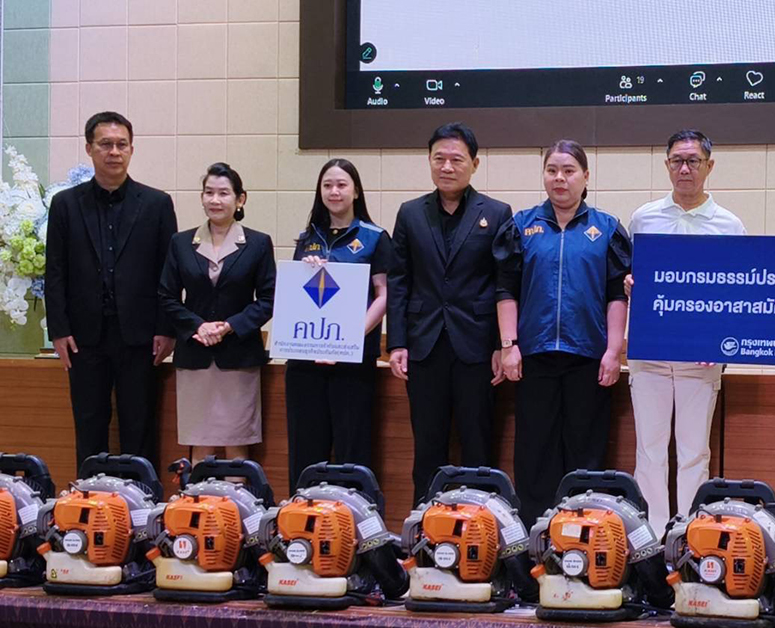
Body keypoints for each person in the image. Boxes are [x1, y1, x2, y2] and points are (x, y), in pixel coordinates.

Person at [494, 140, 632, 525]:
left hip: (588, 359)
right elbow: (506, 289)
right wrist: (508, 345)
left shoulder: (606, 229)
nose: (560, 178)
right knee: (534, 451)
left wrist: (613, 351)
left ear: (585, 177)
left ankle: (582, 529)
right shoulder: (522, 226)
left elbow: (616, 295)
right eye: (552, 170)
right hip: (534, 357)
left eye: (569, 170)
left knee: (586, 451)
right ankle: (536, 531)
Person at [625, 129, 746, 532]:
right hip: (650, 353)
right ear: (667, 165)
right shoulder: (644, 218)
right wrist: (630, 285)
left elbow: (739, 293)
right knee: (649, 450)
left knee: (694, 452)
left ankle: (690, 533)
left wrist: (721, 343)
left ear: (709, 166)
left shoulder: (729, 225)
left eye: (693, 161)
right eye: (677, 160)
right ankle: (653, 535)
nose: (685, 168)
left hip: (701, 356)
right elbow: (631, 278)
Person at [387, 123, 513, 503]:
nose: (446, 167)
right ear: (428, 161)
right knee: (427, 446)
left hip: (476, 346)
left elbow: (504, 283)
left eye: (456, 159)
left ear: (474, 164)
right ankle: (424, 523)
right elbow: (399, 281)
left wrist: (501, 345)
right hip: (424, 346)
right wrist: (397, 343)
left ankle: (481, 520)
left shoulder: (497, 213)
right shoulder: (410, 213)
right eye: (438, 158)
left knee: (478, 444)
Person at [45, 111, 177, 466]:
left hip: (141, 335)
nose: (114, 152)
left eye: (121, 144)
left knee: (140, 424)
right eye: (105, 144)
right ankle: (88, 494)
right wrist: (58, 330)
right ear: (89, 149)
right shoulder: (65, 205)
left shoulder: (157, 204)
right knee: (89, 423)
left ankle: (139, 496)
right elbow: (54, 271)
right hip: (83, 337)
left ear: (132, 149)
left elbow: (169, 272)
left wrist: (167, 329)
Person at [286, 159, 391, 491]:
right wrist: (306, 270)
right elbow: (296, 297)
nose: (334, 191)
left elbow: (385, 295)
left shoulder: (374, 237)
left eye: (342, 184)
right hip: (306, 361)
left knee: (352, 448)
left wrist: (348, 338)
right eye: (327, 185)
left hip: (351, 361)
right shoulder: (307, 239)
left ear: (356, 191)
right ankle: (303, 514)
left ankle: (351, 515)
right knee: (305, 449)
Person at [158, 163, 275, 460]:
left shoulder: (258, 243)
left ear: (240, 199)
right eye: (209, 192)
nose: (215, 200)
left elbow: (268, 299)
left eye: (223, 193)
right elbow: (166, 296)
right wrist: (197, 326)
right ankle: (197, 491)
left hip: (238, 357)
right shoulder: (181, 242)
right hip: (195, 355)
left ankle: (235, 492)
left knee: (237, 445)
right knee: (200, 445)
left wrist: (230, 325)